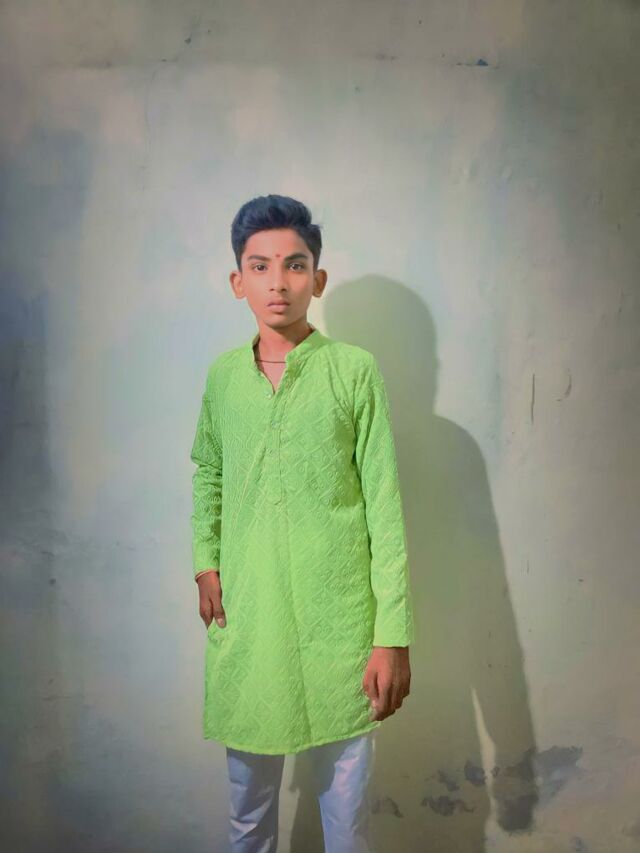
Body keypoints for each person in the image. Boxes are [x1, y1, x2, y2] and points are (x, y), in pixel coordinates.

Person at [190, 194, 415, 851]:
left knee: (347, 822)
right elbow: (208, 471)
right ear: (238, 281)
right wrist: (205, 561)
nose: (278, 282)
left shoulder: (353, 371)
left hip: (341, 627)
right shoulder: (224, 379)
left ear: (318, 279)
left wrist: (391, 635)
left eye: (294, 265)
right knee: (247, 814)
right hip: (251, 618)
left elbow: (384, 505)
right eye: (259, 266)